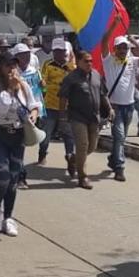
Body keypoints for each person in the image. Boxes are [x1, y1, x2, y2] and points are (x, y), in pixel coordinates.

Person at [0, 52, 39, 236]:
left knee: (13, 179)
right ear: (0, 67)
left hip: (17, 135)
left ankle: (8, 218)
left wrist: (33, 115)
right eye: (8, 65)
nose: (12, 69)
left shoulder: (23, 85)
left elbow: (33, 104)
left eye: (14, 65)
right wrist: (10, 89)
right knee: (3, 175)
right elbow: (0, 108)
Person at [57, 50, 110, 189]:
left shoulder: (96, 75)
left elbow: (103, 94)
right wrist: (62, 117)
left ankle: (73, 159)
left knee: (92, 147)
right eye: (86, 61)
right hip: (77, 117)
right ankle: (82, 177)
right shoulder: (71, 78)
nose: (89, 63)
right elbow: (63, 97)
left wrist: (110, 108)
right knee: (83, 145)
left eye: (91, 61)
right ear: (78, 62)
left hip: (94, 117)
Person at [102, 36, 139, 182]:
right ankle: (119, 168)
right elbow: (104, 42)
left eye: (125, 48)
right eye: (119, 47)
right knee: (119, 136)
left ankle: (113, 158)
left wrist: (134, 43)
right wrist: (114, 26)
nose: (122, 50)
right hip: (115, 107)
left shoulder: (132, 61)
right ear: (114, 49)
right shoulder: (109, 61)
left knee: (121, 138)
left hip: (129, 106)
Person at [36, 38, 75, 175]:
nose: (60, 53)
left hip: (67, 107)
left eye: (62, 51)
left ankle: (70, 158)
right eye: (57, 51)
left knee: (69, 135)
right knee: (46, 134)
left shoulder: (72, 67)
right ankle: (42, 153)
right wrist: (43, 85)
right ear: (53, 52)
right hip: (50, 105)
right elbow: (43, 81)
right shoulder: (48, 65)